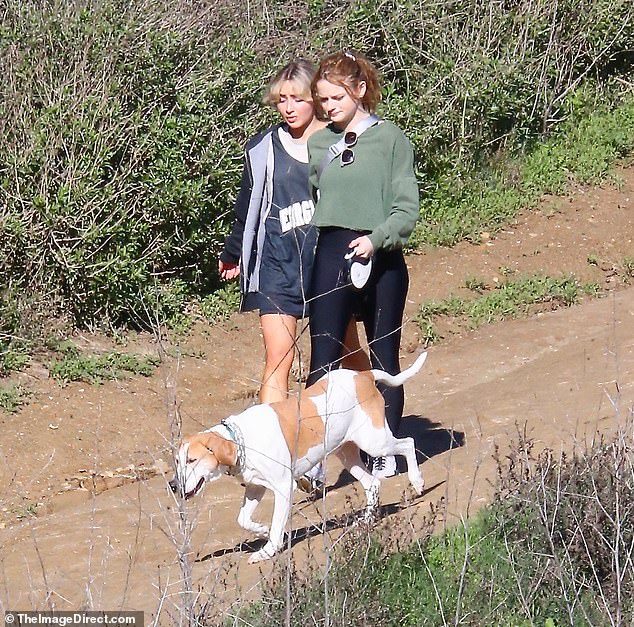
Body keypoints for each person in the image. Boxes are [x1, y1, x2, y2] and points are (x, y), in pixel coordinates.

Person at [219, 60, 369, 489]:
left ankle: (374, 433)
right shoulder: (263, 147)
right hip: (277, 266)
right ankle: (290, 460)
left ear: (316, 101)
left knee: (348, 355)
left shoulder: (341, 141)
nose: (288, 107)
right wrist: (233, 252)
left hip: (327, 265)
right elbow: (248, 205)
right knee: (277, 362)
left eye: (297, 99)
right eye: (281, 99)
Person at [306, 50, 419, 479]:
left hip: (383, 258)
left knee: (384, 359)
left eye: (335, 97)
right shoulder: (319, 143)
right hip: (332, 251)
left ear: (359, 90)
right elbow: (320, 195)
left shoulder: (392, 140)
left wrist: (376, 239)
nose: (328, 106)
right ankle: (313, 457)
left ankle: (385, 449)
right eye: (322, 99)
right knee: (322, 360)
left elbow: (406, 208)